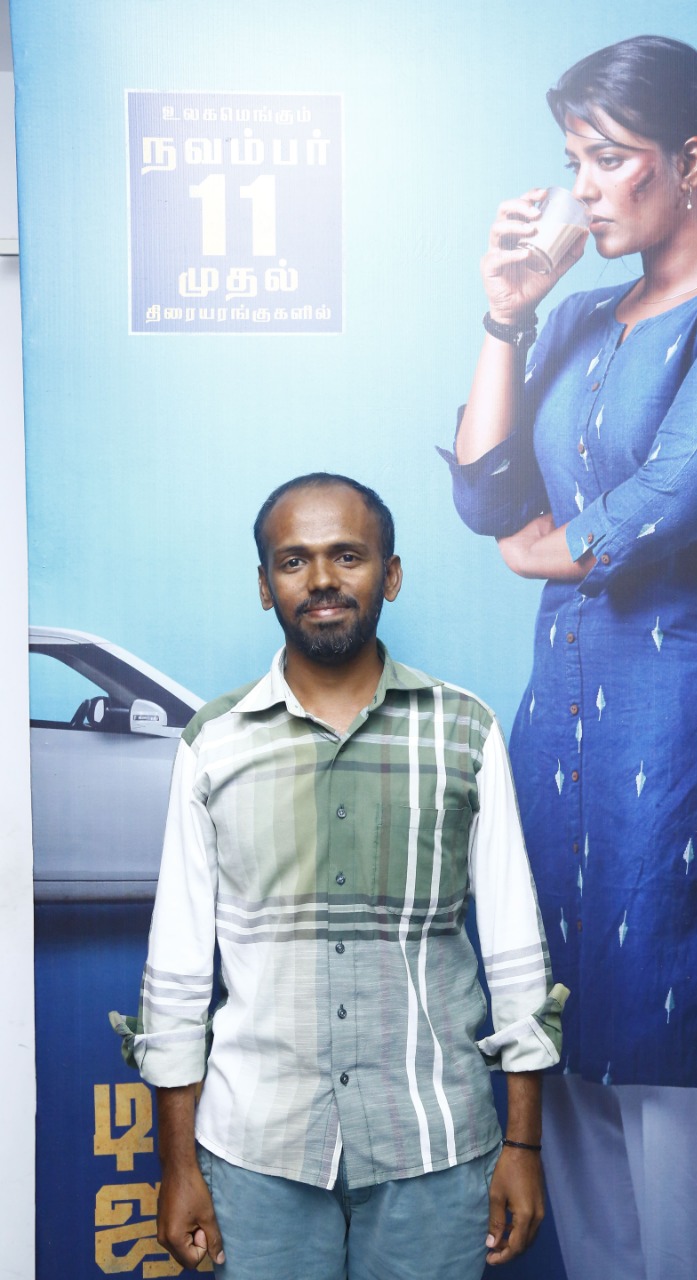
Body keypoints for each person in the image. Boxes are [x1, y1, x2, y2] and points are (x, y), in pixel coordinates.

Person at [441, 35, 697, 1280]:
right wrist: (506, 313)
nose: (584, 190)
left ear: (690, 161)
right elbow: (485, 493)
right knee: (576, 1069)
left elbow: (668, 501)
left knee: (688, 1089)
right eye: (574, 162)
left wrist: (541, 549)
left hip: (693, 728)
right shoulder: (579, 316)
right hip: (565, 736)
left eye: (609, 159)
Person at [111, 472, 567, 1280]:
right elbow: (177, 975)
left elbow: (514, 960)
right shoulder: (213, 743)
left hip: (435, 1146)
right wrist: (177, 1165)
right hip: (256, 1154)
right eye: (294, 561)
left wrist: (523, 1145)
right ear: (265, 586)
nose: (321, 579)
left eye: (347, 556)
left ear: (390, 574)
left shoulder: (465, 730)